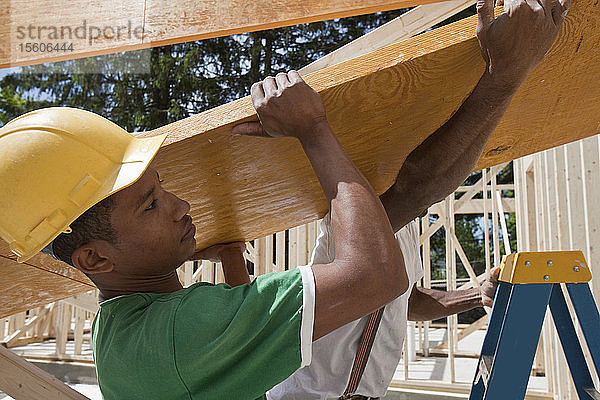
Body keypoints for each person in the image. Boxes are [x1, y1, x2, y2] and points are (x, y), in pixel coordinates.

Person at [0, 0, 567, 397]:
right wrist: (316, 131)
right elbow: (376, 275)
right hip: (319, 395)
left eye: (161, 188)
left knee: (379, 218)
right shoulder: (180, 330)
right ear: (95, 259)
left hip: (288, 387)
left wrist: (230, 268)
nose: (178, 204)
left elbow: (222, 348)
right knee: (387, 212)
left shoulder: (123, 330)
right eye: (150, 204)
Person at [199, 0, 570, 397]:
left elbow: (407, 300)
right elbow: (418, 186)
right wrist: (504, 75)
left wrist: (471, 296)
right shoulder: (355, 224)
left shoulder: (398, 227)